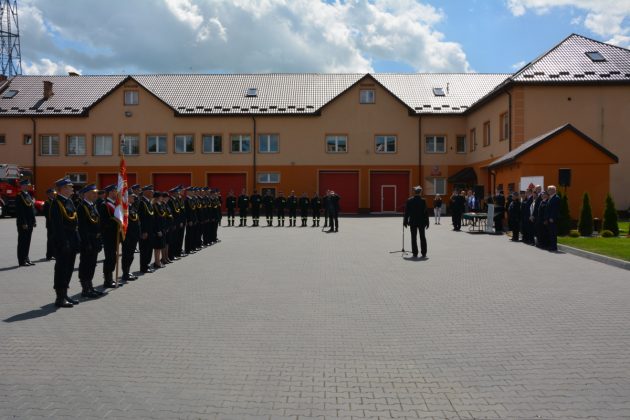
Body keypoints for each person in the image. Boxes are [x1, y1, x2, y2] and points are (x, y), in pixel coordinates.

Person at [49, 178, 80, 308]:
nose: (72, 189)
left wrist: (77, 240)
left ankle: (65, 294)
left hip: (71, 240)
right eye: (69, 186)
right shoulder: (57, 203)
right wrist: (64, 242)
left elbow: (75, 223)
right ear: (62, 188)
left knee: (69, 268)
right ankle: (59, 297)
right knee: (62, 268)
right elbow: (57, 226)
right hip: (63, 241)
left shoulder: (69, 201)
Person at [77, 184, 105, 298]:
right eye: (93, 193)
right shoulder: (82, 207)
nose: (95, 195)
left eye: (96, 193)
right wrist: (86, 243)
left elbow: (97, 223)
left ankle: (90, 287)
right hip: (88, 241)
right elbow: (82, 228)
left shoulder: (93, 205)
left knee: (92, 265)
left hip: (95, 240)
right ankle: (85, 289)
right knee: (86, 265)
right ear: (86, 194)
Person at [98, 184, 120, 288]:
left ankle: (110, 278)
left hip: (115, 235)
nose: (116, 193)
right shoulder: (104, 205)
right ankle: (107, 280)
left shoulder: (116, 204)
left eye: (116, 191)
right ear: (110, 192)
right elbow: (104, 222)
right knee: (109, 258)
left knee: (113, 257)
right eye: (114, 191)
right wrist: (116, 224)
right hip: (108, 236)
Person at [403, 186, 430, 258]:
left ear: (414, 192)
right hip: (421, 221)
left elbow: (407, 212)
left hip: (413, 221)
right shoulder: (423, 200)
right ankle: (423, 253)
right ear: (420, 192)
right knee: (422, 237)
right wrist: (427, 222)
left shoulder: (409, 200)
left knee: (413, 237)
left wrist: (405, 221)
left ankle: (415, 253)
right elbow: (426, 213)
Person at [15, 179, 36, 266]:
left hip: (30, 222)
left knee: (28, 241)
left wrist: (34, 220)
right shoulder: (19, 196)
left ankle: (26, 258)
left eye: (28, 185)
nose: (28, 186)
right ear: (22, 186)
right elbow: (20, 211)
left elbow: (32, 209)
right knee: (22, 241)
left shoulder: (29, 195)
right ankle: (21, 261)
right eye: (27, 185)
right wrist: (23, 223)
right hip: (23, 223)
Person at [122, 193, 140, 282]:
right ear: (127, 197)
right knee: (126, 255)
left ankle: (127, 271)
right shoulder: (124, 209)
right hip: (128, 236)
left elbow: (136, 221)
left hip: (134, 236)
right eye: (132, 196)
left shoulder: (132, 207)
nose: (134, 197)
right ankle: (125, 274)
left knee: (131, 256)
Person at [138, 185, 155, 273]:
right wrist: (143, 231)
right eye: (151, 191)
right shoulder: (142, 203)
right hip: (145, 231)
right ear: (146, 192)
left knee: (149, 248)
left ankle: (147, 264)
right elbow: (141, 218)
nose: (152, 193)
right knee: (144, 249)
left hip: (150, 230)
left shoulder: (149, 202)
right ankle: (143, 267)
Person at [42, 188, 56, 260]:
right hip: (50, 224)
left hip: (55, 224)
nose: (53, 194)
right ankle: (49, 255)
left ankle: (53, 254)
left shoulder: (55, 201)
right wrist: (52, 220)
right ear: (48, 194)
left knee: (54, 240)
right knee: (50, 240)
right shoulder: (47, 202)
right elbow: (46, 214)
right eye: (52, 193)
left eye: (53, 193)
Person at [545, 185, 560, 252]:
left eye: (549, 190)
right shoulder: (550, 198)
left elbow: (555, 209)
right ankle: (551, 245)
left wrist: (552, 217)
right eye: (548, 190)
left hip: (552, 219)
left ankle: (554, 247)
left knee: (553, 233)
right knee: (550, 233)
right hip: (549, 219)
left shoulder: (556, 198)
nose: (548, 191)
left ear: (553, 190)